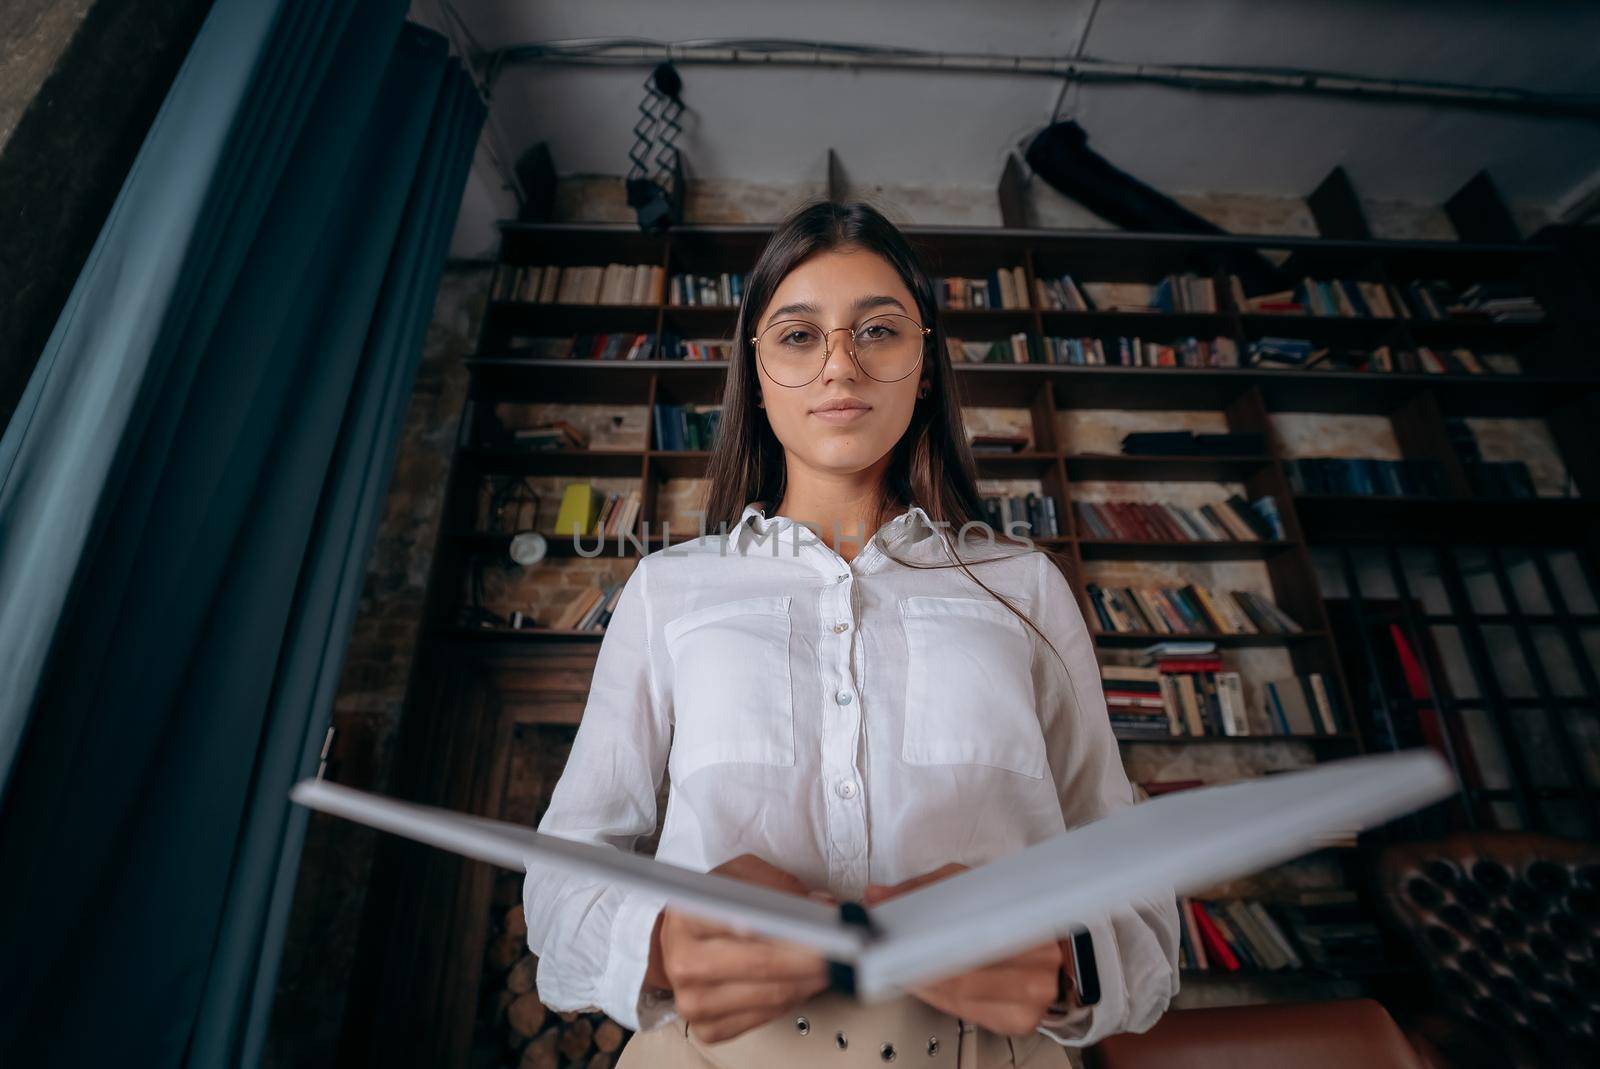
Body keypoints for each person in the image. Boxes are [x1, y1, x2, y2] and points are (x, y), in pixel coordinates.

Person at [522, 199, 1181, 1067]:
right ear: (755, 373)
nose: (840, 364)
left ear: (927, 367)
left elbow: (1139, 911)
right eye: (798, 335)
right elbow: (564, 880)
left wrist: (1066, 953)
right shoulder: (668, 590)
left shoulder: (1027, 591)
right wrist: (657, 940)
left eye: (878, 331)